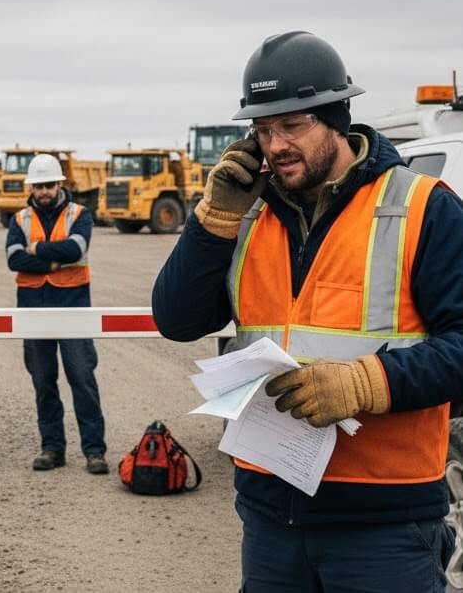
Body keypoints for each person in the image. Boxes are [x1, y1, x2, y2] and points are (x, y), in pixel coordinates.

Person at [152, 30, 463, 591]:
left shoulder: (423, 208)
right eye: (263, 130)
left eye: (293, 125)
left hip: (384, 523)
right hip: (271, 515)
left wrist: (364, 384)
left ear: (338, 119)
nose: (275, 146)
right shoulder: (249, 216)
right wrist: (213, 221)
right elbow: (176, 320)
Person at [6, 153, 108, 474]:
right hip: (34, 310)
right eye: (38, 186)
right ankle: (52, 449)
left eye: (49, 184)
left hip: (73, 309)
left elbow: (76, 249)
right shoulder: (19, 219)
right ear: (31, 188)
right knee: (43, 383)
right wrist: (51, 259)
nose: (44, 191)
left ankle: (94, 451)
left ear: (60, 183)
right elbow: (13, 259)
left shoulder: (80, 214)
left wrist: (34, 250)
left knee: (82, 380)